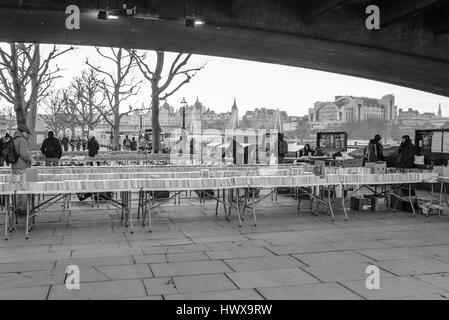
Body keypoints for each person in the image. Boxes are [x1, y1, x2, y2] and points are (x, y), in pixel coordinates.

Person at [11, 125, 32, 215]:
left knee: (16, 188)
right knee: (24, 188)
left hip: (14, 166)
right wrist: (30, 162)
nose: (28, 135)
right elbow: (24, 155)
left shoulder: (13, 139)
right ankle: (23, 208)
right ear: (24, 132)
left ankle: (17, 207)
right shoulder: (22, 140)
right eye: (27, 133)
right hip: (22, 166)